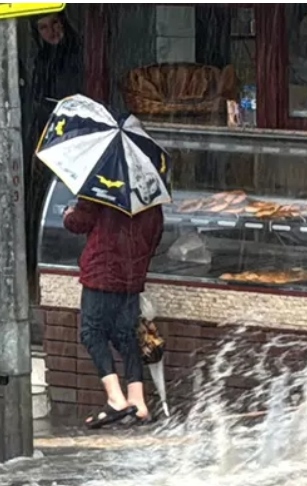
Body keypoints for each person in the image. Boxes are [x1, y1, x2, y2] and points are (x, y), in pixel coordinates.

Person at [63, 200, 164, 428]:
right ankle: (137, 402)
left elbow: (79, 222)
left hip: (102, 272)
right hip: (132, 275)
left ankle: (116, 399)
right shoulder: (149, 196)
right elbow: (156, 235)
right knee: (126, 335)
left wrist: (68, 213)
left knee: (92, 333)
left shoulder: (102, 189)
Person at [26, 12, 84, 299]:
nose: (52, 31)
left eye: (56, 23)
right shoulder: (42, 59)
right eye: (44, 27)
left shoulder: (77, 56)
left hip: (73, 138)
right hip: (47, 138)